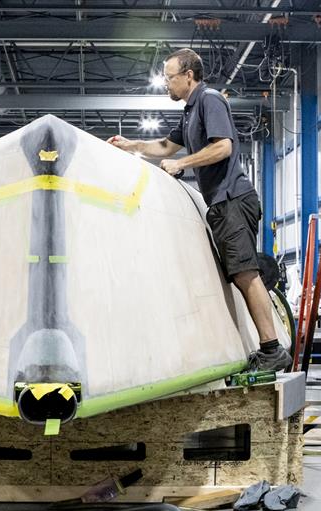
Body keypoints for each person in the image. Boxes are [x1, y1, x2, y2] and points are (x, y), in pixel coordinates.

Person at [108, 48, 291, 372]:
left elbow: (223, 146)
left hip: (232, 199)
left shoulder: (209, 100)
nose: (167, 84)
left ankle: (272, 349)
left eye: (170, 77)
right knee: (239, 274)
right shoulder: (190, 111)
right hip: (220, 204)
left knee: (246, 273)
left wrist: (183, 164)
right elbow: (165, 146)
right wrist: (131, 146)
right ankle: (264, 348)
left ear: (188, 75)